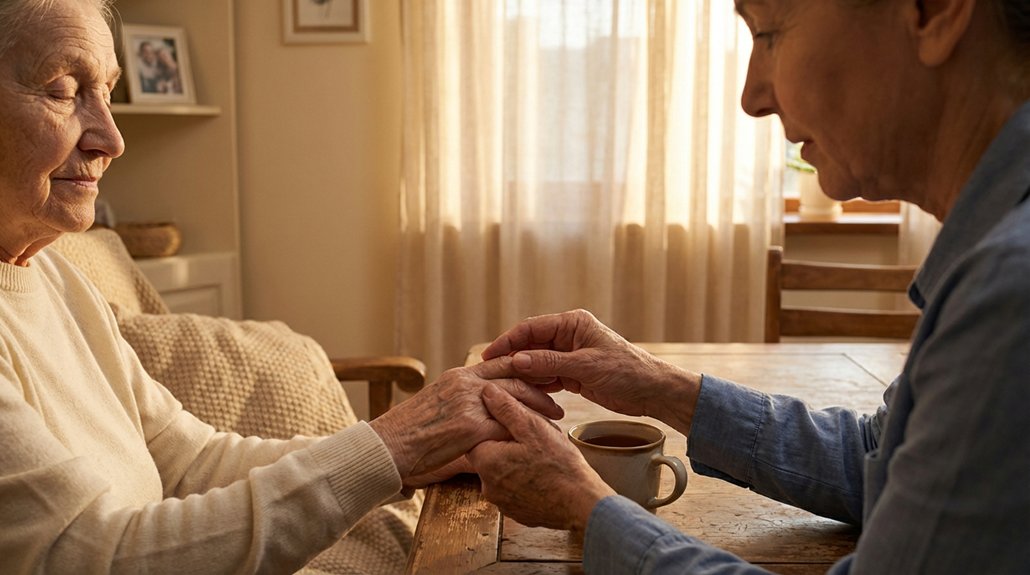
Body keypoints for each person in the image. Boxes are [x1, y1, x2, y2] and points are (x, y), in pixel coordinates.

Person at [467, 0, 1030, 572]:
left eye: (768, 33)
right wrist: (656, 386)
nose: (752, 97)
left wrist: (589, 510)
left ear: (933, 12)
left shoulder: (1009, 293)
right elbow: (877, 460)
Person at [0, 0, 560, 572]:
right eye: (64, 91)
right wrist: (394, 445)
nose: (112, 140)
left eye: (109, 92)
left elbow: (190, 461)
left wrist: (407, 452)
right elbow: (95, 558)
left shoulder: (53, 274)